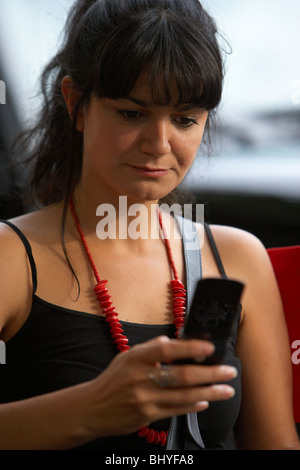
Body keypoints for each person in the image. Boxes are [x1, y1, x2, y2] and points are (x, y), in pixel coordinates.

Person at [0, 0, 298, 450]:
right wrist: (92, 408)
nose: (159, 144)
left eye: (184, 119)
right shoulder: (12, 258)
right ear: (75, 103)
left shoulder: (237, 258)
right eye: (131, 113)